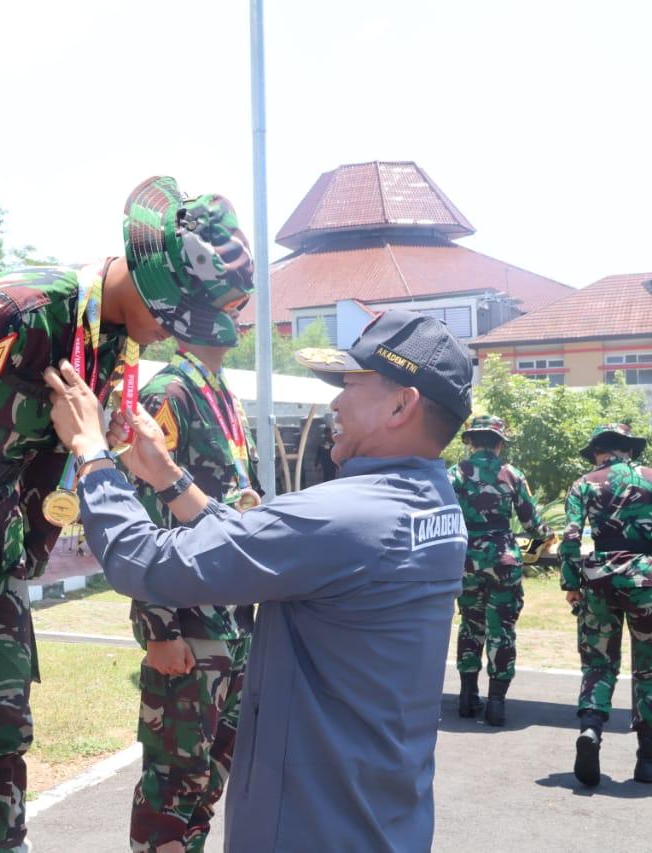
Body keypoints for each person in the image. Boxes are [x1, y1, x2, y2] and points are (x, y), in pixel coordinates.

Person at [0, 176, 254, 851]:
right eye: (171, 316)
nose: (171, 335)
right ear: (148, 280)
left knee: (3, 746)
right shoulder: (18, 312)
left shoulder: (115, 343)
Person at [45, 309, 471, 850]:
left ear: (401, 404)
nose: (336, 403)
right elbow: (262, 548)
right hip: (381, 818)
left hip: (311, 829)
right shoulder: (430, 506)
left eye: (351, 384)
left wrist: (91, 457)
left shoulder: (343, 516)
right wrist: (167, 477)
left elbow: (145, 560)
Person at [126, 335, 259, 852]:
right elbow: (143, 520)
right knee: (173, 783)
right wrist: (159, 627)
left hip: (233, 621)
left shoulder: (221, 393)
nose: (237, 316)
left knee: (208, 781)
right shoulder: (168, 393)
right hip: (189, 626)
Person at [558, 423, 652, 787]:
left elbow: (570, 537)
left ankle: (592, 730)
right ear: (629, 449)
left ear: (598, 450)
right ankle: (647, 759)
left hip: (599, 580)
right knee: (648, 669)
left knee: (598, 663)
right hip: (647, 579)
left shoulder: (584, 483)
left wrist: (571, 584)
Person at [448, 415, 553, 726]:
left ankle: (467, 697)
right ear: (498, 443)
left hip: (466, 560)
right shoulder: (512, 474)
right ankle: (496, 703)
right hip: (504, 561)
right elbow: (532, 523)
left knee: (470, 625)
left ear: (470, 441)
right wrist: (547, 537)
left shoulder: (454, 474)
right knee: (501, 630)